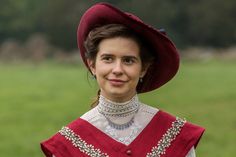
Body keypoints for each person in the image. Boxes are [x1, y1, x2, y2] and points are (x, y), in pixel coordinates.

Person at [41, 3, 205, 157]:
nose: (117, 70)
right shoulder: (66, 147)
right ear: (92, 65)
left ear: (143, 69)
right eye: (108, 59)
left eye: (128, 60)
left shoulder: (176, 137)